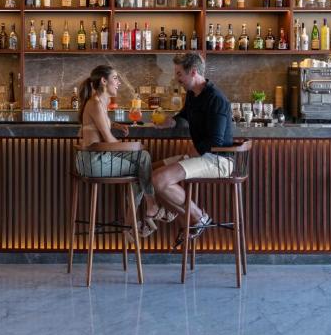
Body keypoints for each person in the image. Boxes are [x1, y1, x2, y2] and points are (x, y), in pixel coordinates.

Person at [152, 52, 234, 235]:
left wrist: (191, 153)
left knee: (158, 179)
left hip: (218, 160)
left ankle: (197, 217)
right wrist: (171, 122)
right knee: (149, 172)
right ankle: (194, 218)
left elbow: (215, 140)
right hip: (201, 155)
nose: (177, 78)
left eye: (179, 73)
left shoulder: (216, 98)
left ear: (193, 72)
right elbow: (184, 114)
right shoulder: (192, 94)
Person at [76, 65, 160, 237]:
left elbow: (99, 123)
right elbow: (109, 140)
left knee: (142, 162)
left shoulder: (99, 102)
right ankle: (145, 211)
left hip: (92, 159)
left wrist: (116, 125)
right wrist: (133, 146)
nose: (119, 82)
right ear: (103, 81)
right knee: (142, 162)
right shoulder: (96, 103)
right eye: (115, 78)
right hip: (95, 163)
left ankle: (133, 221)